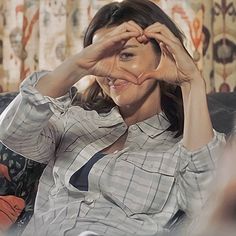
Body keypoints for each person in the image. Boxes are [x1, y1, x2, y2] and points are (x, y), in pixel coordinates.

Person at [0, 0, 225, 235]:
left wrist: (191, 83)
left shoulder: (187, 146)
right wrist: (78, 65)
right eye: (102, 57)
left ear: (163, 55)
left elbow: (206, 204)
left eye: (126, 55)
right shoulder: (73, 121)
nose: (113, 71)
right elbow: (14, 133)